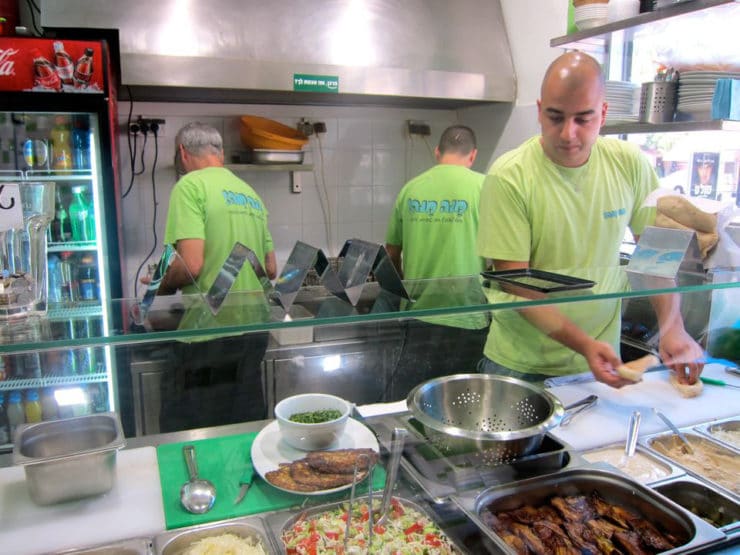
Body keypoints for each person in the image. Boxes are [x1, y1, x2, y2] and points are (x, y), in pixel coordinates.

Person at [477, 51, 704, 388]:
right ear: (539, 112)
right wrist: (584, 345)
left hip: (600, 361)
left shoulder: (630, 164)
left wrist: (673, 326)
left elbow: (655, 259)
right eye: (555, 117)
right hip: (522, 365)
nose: (568, 133)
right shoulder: (509, 177)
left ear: (604, 114)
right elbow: (517, 288)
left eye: (583, 119)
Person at [155, 121, 277, 432]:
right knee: (243, 428)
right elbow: (271, 269)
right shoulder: (249, 194)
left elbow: (192, 266)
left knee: (195, 431)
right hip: (253, 334)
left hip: (208, 336)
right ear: (220, 153)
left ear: (182, 153)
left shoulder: (190, 186)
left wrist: (161, 283)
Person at [384, 125, 490, 398]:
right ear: (473, 155)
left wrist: (403, 296)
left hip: (418, 317)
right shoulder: (484, 188)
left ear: (437, 152)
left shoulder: (411, 189)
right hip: (467, 318)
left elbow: (391, 254)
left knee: (416, 402)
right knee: (462, 404)